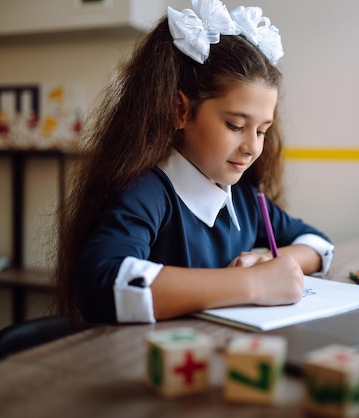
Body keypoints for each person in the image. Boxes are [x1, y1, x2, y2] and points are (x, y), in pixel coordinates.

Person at [53, 0, 334, 325]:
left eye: (262, 131)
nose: (252, 147)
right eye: (235, 126)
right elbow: (103, 284)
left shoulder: (243, 197)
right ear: (180, 110)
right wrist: (252, 283)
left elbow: (318, 245)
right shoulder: (147, 194)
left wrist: (266, 261)